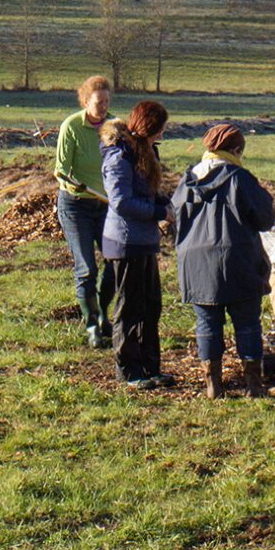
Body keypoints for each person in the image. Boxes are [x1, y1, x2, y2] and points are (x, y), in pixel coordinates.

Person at [170, 123, 275, 398]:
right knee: (248, 322)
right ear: (236, 149)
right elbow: (265, 219)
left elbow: (174, 219)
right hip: (237, 258)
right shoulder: (240, 178)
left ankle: (213, 385)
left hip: (195, 263)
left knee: (207, 323)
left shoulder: (187, 180)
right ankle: (253, 385)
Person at [99, 99, 172, 390]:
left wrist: (166, 205)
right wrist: (157, 213)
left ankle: (150, 367)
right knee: (129, 309)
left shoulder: (146, 151)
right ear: (149, 126)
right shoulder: (119, 156)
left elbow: (149, 192)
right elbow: (121, 202)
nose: (163, 134)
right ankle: (129, 372)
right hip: (125, 242)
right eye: (161, 128)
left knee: (151, 307)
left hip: (146, 241)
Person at [54, 76, 120, 348]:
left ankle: (104, 314)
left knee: (114, 264)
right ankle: (92, 325)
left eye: (106, 102)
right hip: (75, 205)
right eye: (98, 102)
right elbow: (60, 170)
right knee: (86, 269)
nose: (103, 107)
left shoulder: (115, 126)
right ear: (85, 102)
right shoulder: (72, 126)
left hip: (106, 206)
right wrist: (74, 184)